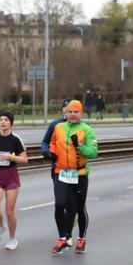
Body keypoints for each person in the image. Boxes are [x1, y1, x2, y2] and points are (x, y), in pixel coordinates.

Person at [49, 100, 98, 255]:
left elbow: (93, 152)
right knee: (59, 204)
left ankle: (81, 238)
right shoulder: (59, 127)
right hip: (61, 172)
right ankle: (63, 238)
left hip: (79, 174)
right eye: (70, 112)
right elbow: (53, 143)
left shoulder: (87, 130)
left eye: (76, 112)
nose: (73, 115)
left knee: (79, 208)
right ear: (66, 113)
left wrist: (79, 146)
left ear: (81, 113)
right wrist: (52, 152)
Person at [0, 111, 28, 250]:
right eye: (1, 119)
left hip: (11, 177)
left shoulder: (16, 139)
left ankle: (12, 238)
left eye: (6, 120)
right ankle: (1, 227)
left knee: (9, 211)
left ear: (11, 123)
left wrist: (11, 157)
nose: (2, 122)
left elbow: (25, 160)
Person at [40, 99, 75, 248]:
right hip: (57, 169)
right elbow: (45, 142)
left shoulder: (82, 127)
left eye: (72, 111)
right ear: (63, 111)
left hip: (74, 171)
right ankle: (63, 236)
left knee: (70, 204)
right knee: (60, 202)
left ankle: (68, 235)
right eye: (66, 110)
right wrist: (46, 152)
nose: (69, 113)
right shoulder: (56, 125)